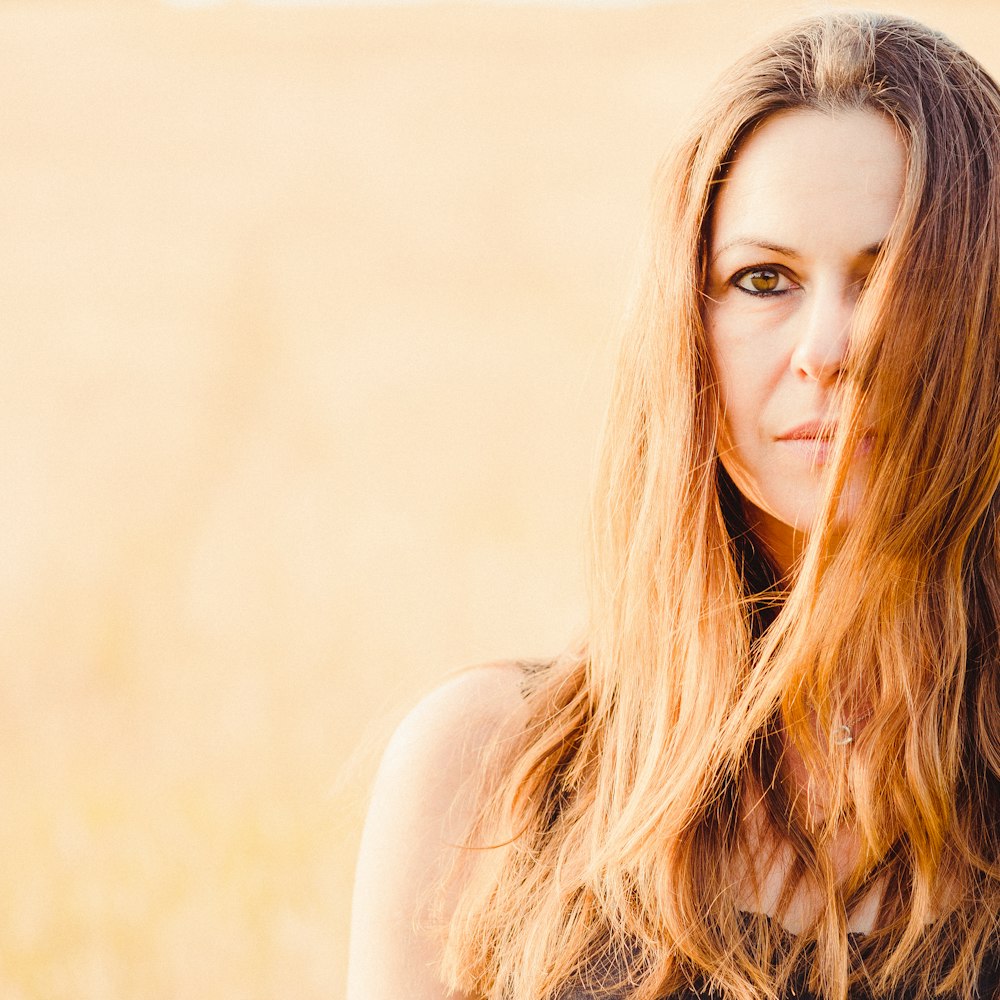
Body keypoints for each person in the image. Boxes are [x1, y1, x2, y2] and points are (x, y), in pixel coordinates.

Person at [347, 9, 1000, 1000]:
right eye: (762, 279)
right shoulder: (485, 778)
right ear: (687, 330)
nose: (830, 346)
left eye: (890, 274)